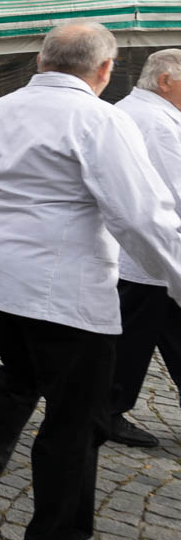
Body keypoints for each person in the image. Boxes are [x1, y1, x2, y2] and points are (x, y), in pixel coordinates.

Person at [0, 23, 181, 540]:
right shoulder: (99, 119)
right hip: (62, 289)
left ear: (40, 59)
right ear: (104, 71)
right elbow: (141, 216)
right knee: (78, 417)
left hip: (1, 284)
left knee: (20, 372)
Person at [108, 50, 181, 448]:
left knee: (144, 334)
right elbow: (173, 189)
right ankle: (106, 410)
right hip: (151, 249)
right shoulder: (153, 120)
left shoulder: (142, 111)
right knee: (132, 336)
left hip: (148, 250)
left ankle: (107, 408)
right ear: (166, 80)